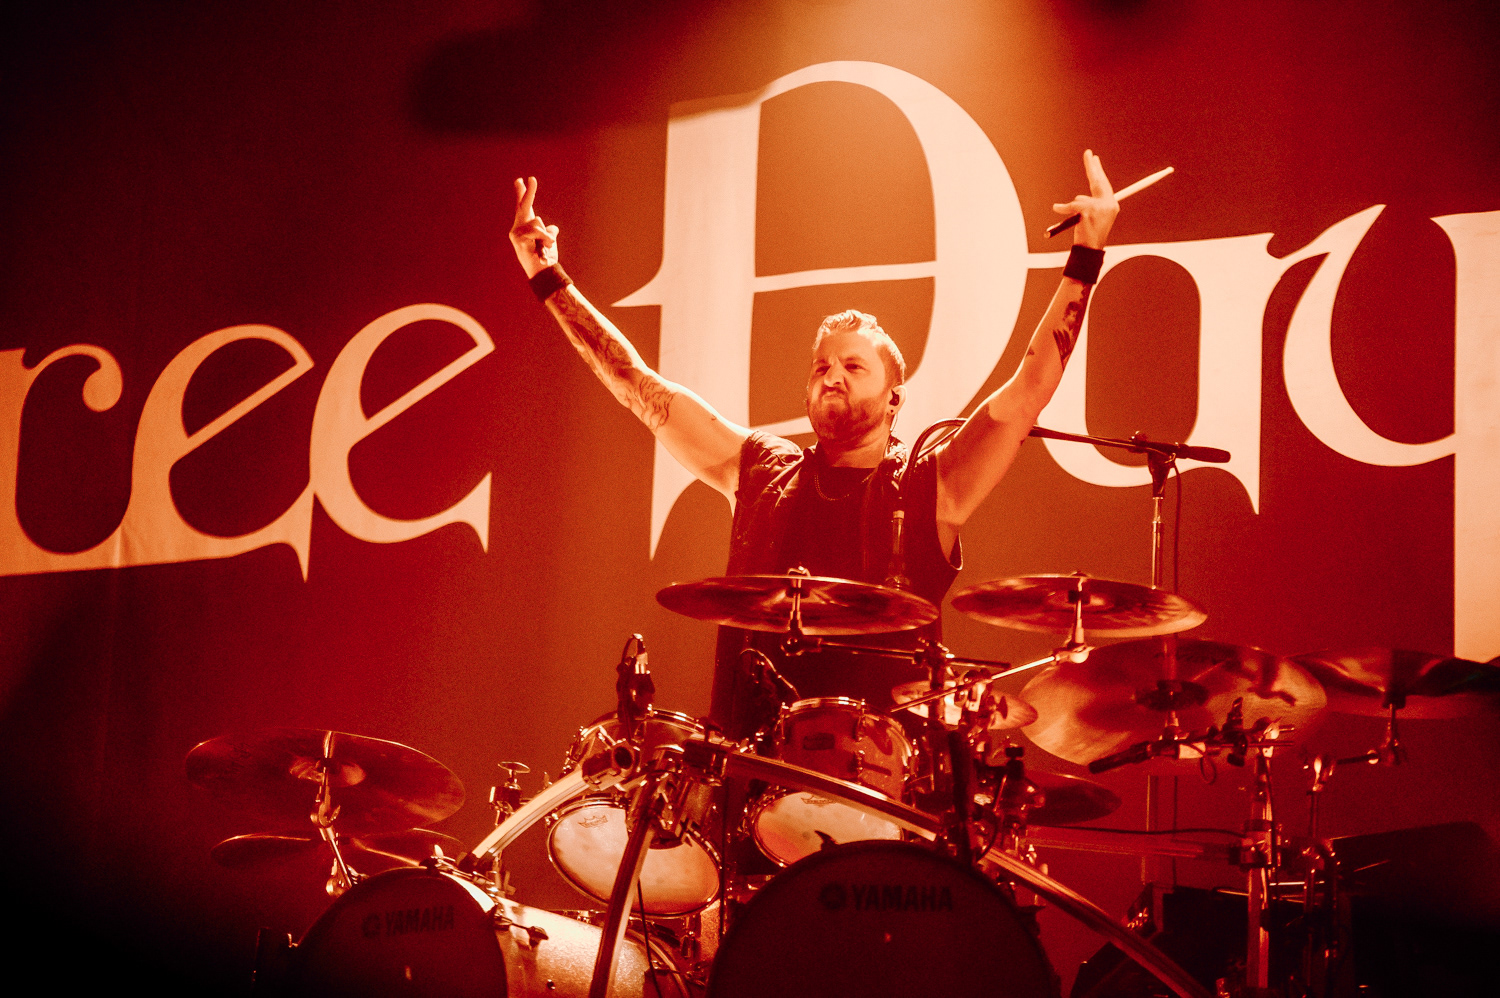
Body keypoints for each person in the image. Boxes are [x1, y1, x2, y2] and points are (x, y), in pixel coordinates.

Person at [509, 151, 1118, 738]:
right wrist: (548, 276)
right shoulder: (759, 470)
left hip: (882, 775)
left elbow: (1028, 390)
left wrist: (1087, 253)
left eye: (854, 366)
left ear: (895, 399)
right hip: (752, 763)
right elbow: (638, 386)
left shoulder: (931, 485)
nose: (832, 375)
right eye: (821, 366)